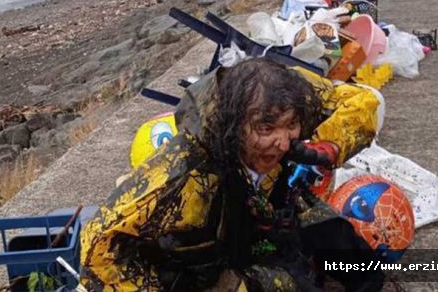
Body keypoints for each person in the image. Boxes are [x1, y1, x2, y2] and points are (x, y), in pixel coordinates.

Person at [80, 58, 384, 291]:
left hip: (266, 213)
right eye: (265, 129)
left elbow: (362, 101)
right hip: (206, 265)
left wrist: (331, 143)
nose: (282, 142)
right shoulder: (183, 174)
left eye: (291, 125)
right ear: (233, 126)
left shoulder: (281, 93)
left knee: (351, 253)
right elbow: (98, 241)